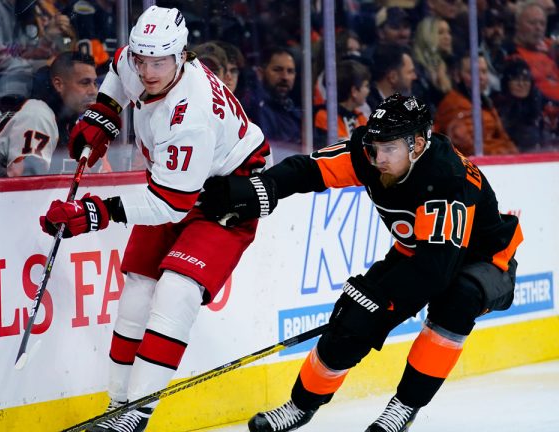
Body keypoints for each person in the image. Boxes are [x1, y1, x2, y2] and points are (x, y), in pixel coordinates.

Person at [198, 94, 522, 432]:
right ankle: (300, 405)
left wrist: (379, 302)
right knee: (351, 323)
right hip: (419, 253)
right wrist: (264, 187)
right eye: (374, 147)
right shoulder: (372, 154)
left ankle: (404, 406)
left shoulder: (447, 179)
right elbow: (311, 169)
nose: (378, 158)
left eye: (389, 149)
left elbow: (435, 272)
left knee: (458, 300)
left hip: (486, 260)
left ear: (418, 144)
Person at [39, 6, 269, 431]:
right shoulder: (144, 57)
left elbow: (172, 204)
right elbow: (119, 68)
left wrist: (95, 213)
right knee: (137, 291)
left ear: (182, 56)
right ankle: (116, 406)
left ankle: (135, 416)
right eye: (143, 59)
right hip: (177, 183)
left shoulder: (190, 115)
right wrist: (103, 111)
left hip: (229, 192)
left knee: (177, 292)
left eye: (158, 62)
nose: (146, 71)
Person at [434, 53, 519, 155]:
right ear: (458, 76)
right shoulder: (454, 104)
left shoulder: (484, 102)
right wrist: (503, 152)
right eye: (473, 72)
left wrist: (512, 152)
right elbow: (469, 149)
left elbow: (503, 137)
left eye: (484, 71)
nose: (481, 77)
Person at [312, 59, 370, 149]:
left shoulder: (361, 118)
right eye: (366, 86)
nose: (368, 91)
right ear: (354, 91)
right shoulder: (324, 116)